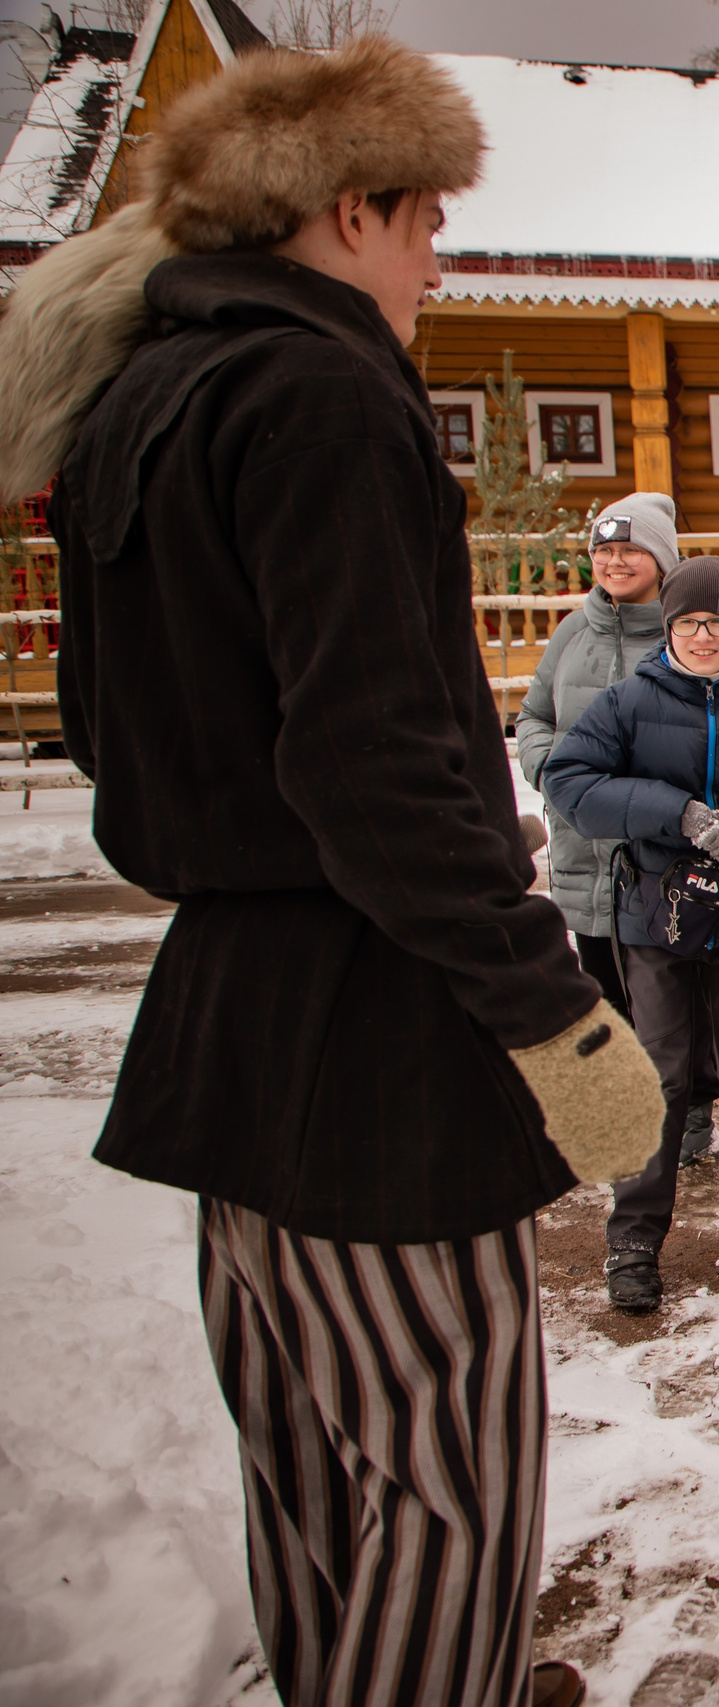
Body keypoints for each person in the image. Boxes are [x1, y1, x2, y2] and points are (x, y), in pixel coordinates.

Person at [4, 41, 660, 1707]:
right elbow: (374, 764)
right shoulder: (325, 392)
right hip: (379, 1032)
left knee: (308, 1465)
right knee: (445, 1478)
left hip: (229, 1009)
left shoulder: (143, 398)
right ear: (350, 208)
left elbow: (111, 737)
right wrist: (551, 1011)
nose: (439, 260)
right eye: (428, 219)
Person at [544, 556, 719, 1315]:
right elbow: (568, 779)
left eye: (716, 623)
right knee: (660, 1078)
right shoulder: (628, 701)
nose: (701, 636)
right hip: (652, 917)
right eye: (687, 623)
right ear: (668, 629)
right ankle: (633, 1239)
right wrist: (676, 813)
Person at [517, 493, 719, 1168]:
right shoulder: (571, 634)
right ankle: (625, 1115)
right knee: (604, 986)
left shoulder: (685, 636)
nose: (614, 561)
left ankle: (690, 1109)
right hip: (583, 846)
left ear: (661, 559)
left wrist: (638, 795)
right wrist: (555, 771)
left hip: (658, 849)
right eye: (604, 550)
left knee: (675, 987)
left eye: (629, 550)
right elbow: (533, 716)